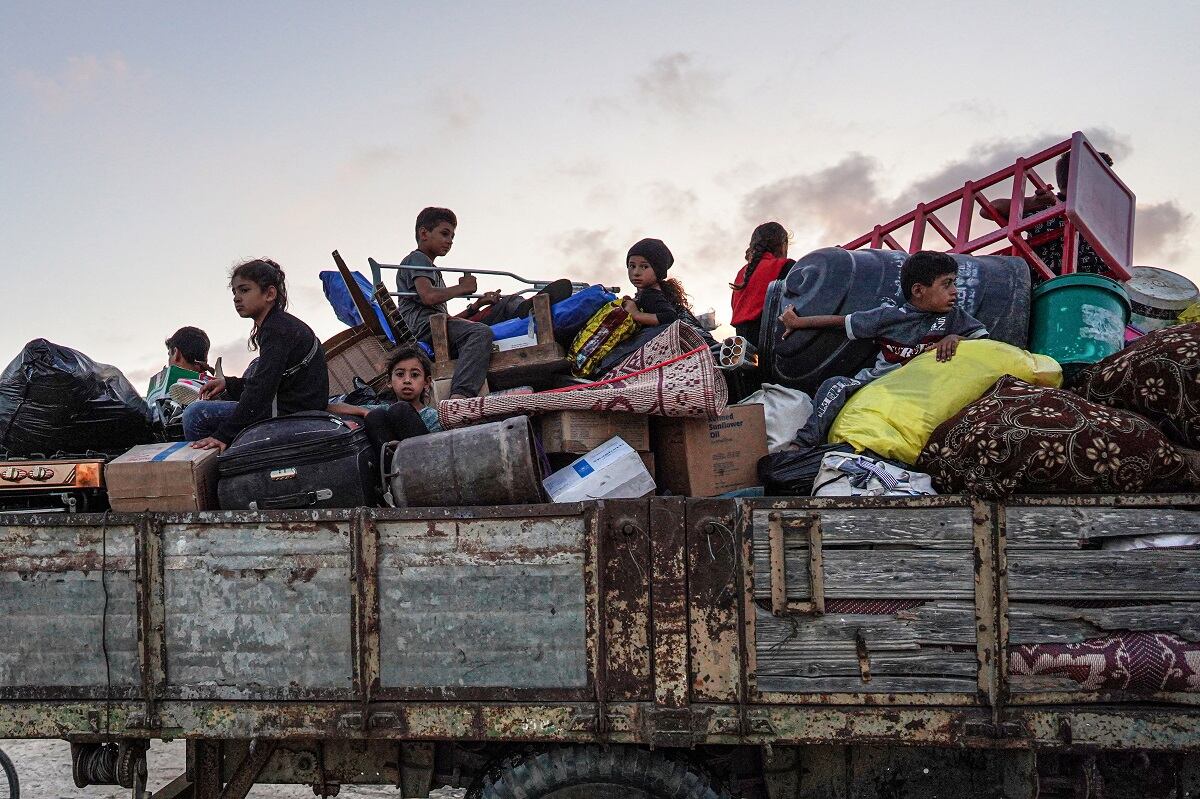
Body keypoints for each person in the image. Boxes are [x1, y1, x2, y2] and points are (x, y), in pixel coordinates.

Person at [783, 250, 989, 450]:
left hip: (921, 388)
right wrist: (798, 322)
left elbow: (988, 345)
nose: (955, 290)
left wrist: (956, 338)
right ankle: (800, 445)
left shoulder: (953, 317)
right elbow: (840, 322)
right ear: (918, 290)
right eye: (947, 284)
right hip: (880, 383)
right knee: (834, 385)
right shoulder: (889, 316)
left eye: (954, 282)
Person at [185, 259, 328, 451]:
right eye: (234, 292)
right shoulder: (277, 325)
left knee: (196, 415)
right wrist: (228, 383)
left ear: (269, 294)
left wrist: (223, 435)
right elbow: (268, 382)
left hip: (293, 411)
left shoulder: (277, 329)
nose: (236, 298)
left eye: (244, 290)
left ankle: (209, 477)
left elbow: (262, 389)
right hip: (291, 404)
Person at [394, 207, 492, 399]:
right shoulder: (417, 258)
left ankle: (520, 306)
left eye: (452, 237)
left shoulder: (431, 268)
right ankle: (459, 397)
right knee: (480, 332)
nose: (450, 241)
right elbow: (428, 296)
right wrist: (462, 289)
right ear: (424, 233)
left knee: (494, 312)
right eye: (445, 234)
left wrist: (476, 306)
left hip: (436, 327)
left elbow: (445, 320)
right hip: (424, 329)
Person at [980, 151, 1114, 276]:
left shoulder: (1097, 218)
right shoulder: (1047, 206)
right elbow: (988, 210)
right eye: (1101, 179)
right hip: (1052, 282)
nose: (1106, 186)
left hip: (1097, 284)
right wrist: (1034, 202)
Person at [328, 345, 440, 452]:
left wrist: (404, 447)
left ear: (426, 382)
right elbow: (329, 407)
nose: (407, 380)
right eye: (400, 374)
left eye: (414, 375)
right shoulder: (384, 409)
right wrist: (363, 411)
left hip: (426, 462)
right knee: (375, 415)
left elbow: (440, 448)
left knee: (400, 410)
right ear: (389, 382)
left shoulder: (432, 416)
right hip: (393, 467)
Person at [620, 238, 717, 346]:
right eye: (632, 266)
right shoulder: (655, 292)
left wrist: (636, 314)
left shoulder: (650, 294)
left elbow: (669, 317)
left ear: (658, 270)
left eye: (644, 267)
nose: (636, 272)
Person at [730, 222, 793, 346]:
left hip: (744, 348)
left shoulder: (741, 274)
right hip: (774, 345)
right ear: (783, 244)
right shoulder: (786, 266)